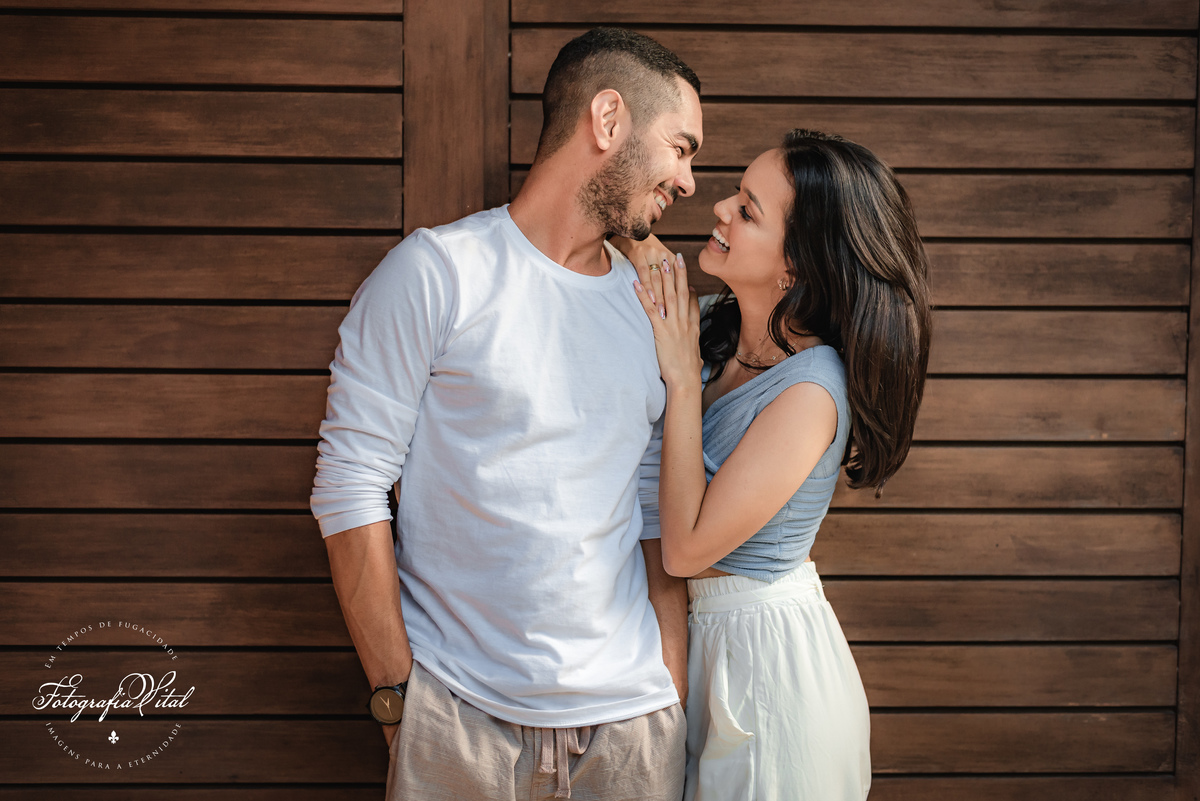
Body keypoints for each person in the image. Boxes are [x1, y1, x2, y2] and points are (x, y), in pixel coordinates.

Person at [309, 27, 705, 801]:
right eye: (681, 147)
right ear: (609, 119)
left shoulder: (651, 307)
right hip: (458, 723)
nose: (688, 181)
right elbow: (349, 487)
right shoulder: (436, 274)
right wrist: (400, 704)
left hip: (631, 735)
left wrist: (672, 687)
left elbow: (654, 513)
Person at [618, 129, 932, 800]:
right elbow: (636, 252)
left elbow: (685, 547)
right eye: (736, 194)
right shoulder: (714, 327)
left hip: (770, 668)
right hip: (705, 648)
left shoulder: (811, 391)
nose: (720, 209)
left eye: (749, 209)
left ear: (795, 266)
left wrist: (679, 377)